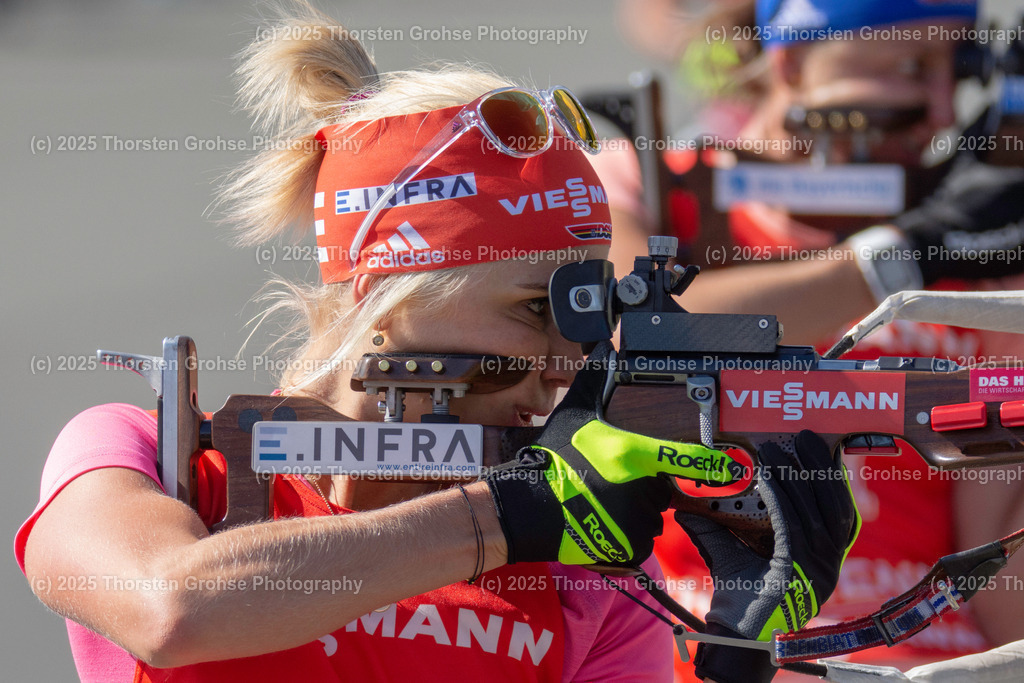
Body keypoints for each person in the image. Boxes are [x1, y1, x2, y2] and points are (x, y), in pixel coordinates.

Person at [15, 5, 858, 683]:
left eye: (586, 316)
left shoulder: (581, 579)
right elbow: (171, 610)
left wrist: (752, 648)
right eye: (536, 309)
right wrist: (507, 515)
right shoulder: (148, 453)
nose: (569, 361)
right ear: (383, 297)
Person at [592, 1, 1024, 680]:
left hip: (930, 661)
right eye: (909, 68)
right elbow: (628, 341)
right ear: (792, 62)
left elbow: (1006, 589)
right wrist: (901, 259)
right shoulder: (641, 183)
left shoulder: (987, 236)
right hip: (713, 647)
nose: (942, 113)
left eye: (957, 71)